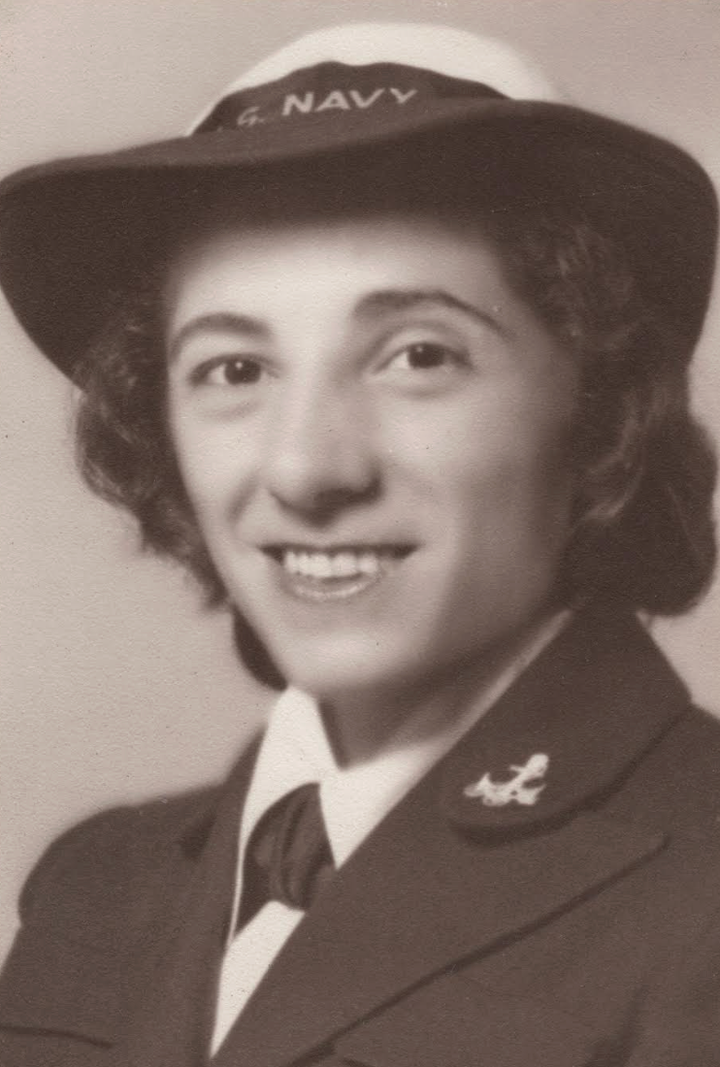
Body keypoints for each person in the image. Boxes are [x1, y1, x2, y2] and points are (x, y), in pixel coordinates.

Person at [1, 19, 720, 1067]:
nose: (305, 468)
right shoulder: (95, 885)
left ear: (598, 406)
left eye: (418, 354)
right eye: (234, 370)